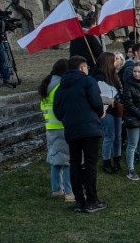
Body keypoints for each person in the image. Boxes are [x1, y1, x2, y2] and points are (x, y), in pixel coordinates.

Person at [52, 56, 107, 213]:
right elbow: (96, 102)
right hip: (89, 128)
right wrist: (99, 112)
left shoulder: (62, 86)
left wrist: (68, 119)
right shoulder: (87, 81)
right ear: (82, 67)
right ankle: (91, 200)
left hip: (72, 129)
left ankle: (79, 201)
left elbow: (58, 111)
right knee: (90, 164)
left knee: (75, 164)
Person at [39, 59, 74, 202]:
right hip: (62, 126)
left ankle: (56, 189)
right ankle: (69, 191)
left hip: (50, 127)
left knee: (55, 159)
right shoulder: (60, 85)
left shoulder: (47, 84)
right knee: (67, 161)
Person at [94, 52, 124, 175]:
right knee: (109, 135)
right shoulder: (97, 77)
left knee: (118, 135)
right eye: (113, 60)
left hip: (115, 108)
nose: (116, 62)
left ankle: (117, 159)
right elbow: (95, 95)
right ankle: (106, 161)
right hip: (105, 109)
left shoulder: (113, 75)